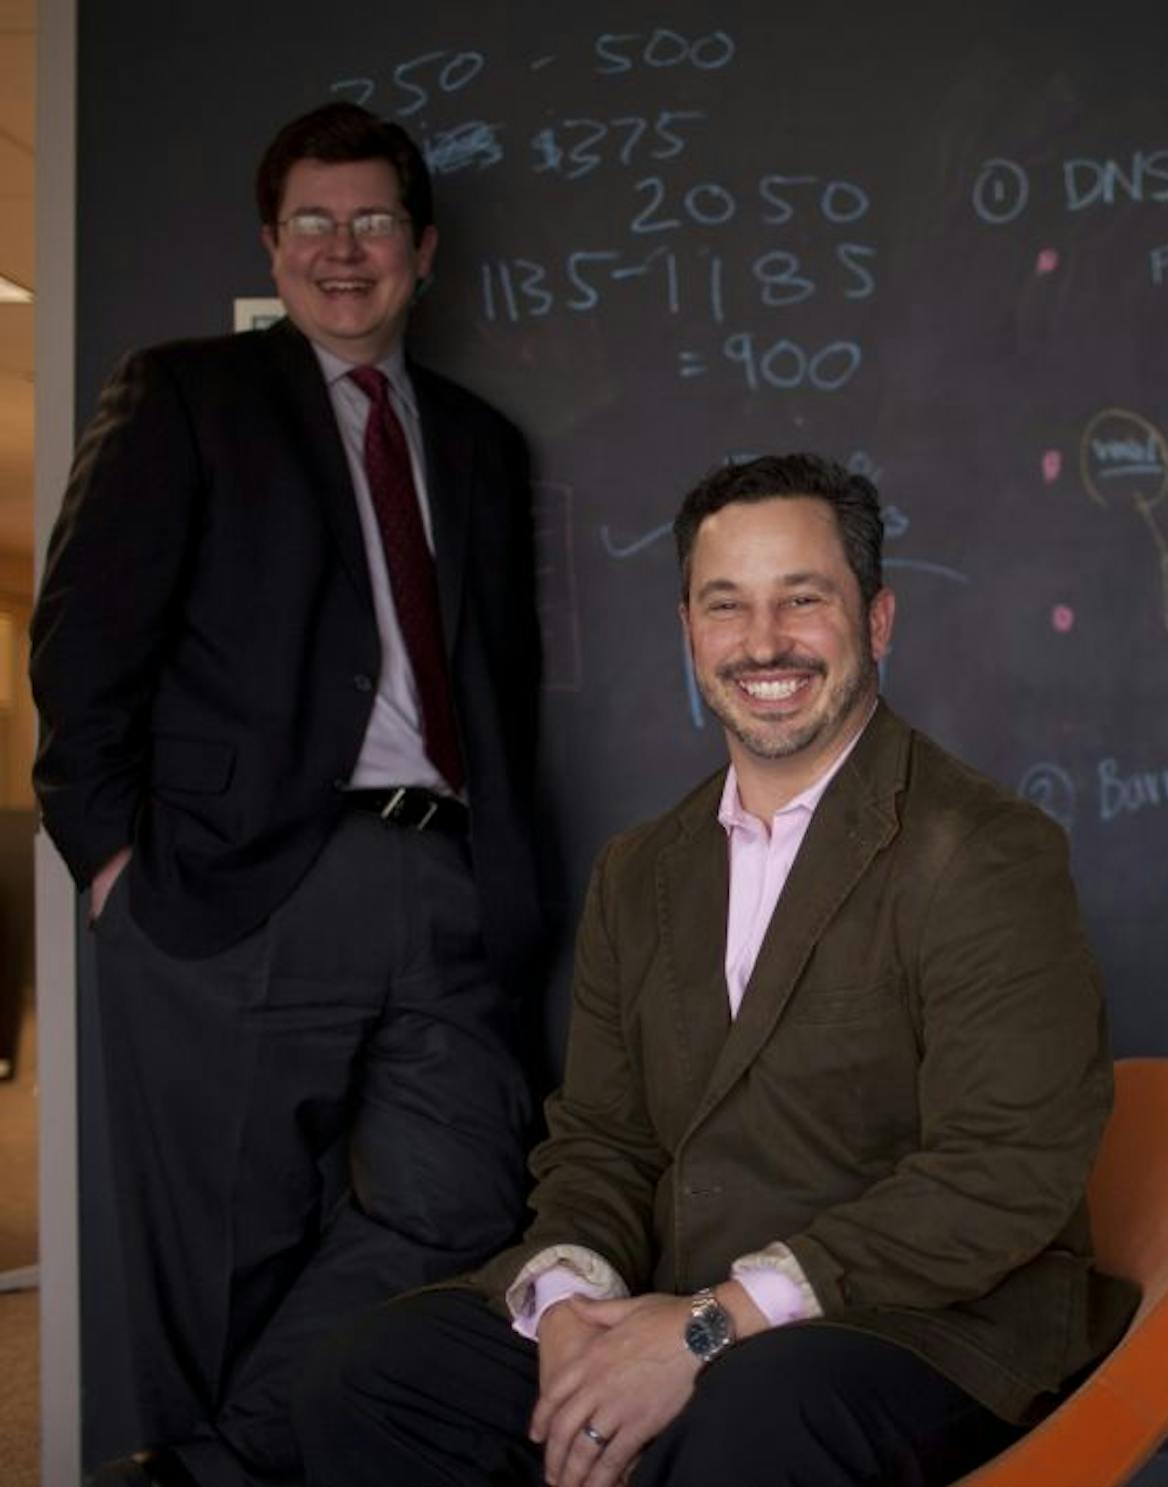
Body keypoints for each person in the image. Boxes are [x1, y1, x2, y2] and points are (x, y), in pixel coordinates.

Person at [295, 454, 1136, 1486]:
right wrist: (567, 1308)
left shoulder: (987, 848)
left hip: (922, 1323)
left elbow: (1005, 1164)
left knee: (745, 1421)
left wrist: (704, 1331)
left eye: (803, 599)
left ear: (877, 620)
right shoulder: (638, 870)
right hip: (676, 1299)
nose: (764, 641)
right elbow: (603, 1139)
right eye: (726, 605)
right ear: (689, 629)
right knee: (372, 1376)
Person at [31, 103, 548, 1487]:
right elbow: (83, 645)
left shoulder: (485, 447)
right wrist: (112, 865)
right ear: (272, 240)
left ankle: (202, 1470)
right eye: (311, 220)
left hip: (444, 883)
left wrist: (512, 887)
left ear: (422, 249)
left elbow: (503, 688)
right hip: (231, 884)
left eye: (372, 220)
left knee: (465, 1203)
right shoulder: (186, 392)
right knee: (219, 1255)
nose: (341, 249)